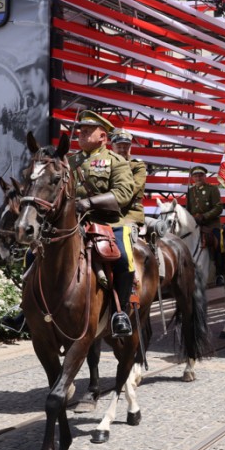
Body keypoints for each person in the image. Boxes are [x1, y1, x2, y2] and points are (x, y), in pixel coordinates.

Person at [72, 111, 137, 338]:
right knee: (34, 253)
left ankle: (121, 312)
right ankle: (25, 309)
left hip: (106, 223)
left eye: (88, 131)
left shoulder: (115, 161)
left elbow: (124, 194)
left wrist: (89, 202)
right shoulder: (70, 161)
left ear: (103, 137)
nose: (81, 134)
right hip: (72, 222)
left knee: (124, 259)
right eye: (81, 130)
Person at [185, 165, 224, 284]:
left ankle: (220, 274)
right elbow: (188, 209)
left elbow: (218, 208)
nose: (198, 178)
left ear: (205, 176)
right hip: (194, 224)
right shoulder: (190, 191)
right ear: (192, 178)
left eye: (200, 176)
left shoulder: (212, 189)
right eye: (196, 176)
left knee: (218, 244)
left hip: (211, 224)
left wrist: (204, 216)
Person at [111, 129, 146, 228]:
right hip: (107, 213)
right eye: (119, 147)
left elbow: (130, 190)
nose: (122, 150)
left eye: (126, 147)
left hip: (130, 214)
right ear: (112, 147)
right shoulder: (106, 165)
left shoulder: (138, 166)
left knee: (121, 232)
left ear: (130, 148)